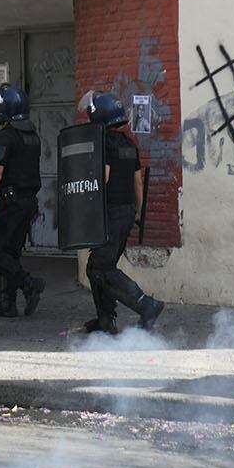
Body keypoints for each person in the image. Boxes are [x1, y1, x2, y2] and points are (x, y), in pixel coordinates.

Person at [80, 91, 164, 333]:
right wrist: (137, 212)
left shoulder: (102, 142)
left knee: (102, 268)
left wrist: (87, 208)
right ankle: (105, 320)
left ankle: (146, 305)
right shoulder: (129, 144)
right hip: (126, 213)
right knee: (97, 268)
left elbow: (101, 177)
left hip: (108, 213)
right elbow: (138, 182)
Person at [0, 83, 45, 317]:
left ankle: (29, 285)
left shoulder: (6, 135)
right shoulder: (32, 136)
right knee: (11, 253)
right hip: (28, 202)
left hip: (9, 203)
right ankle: (8, 304)